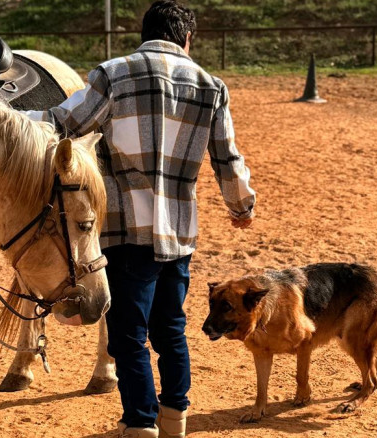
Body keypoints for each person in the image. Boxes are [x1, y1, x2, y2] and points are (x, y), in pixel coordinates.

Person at [24, 1, 256, 436]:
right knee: (171, 330)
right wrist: (241, 207)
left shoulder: (115, 73)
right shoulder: (212, 86)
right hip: (179, 231)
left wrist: (3, 118)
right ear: (187, 39)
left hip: (124, 231)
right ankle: (175, 419)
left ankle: (140, 424)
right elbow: (228, 158)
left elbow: (61, 124)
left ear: (143, 33)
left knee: (128, 336)